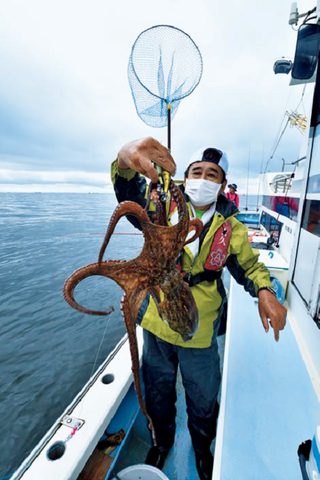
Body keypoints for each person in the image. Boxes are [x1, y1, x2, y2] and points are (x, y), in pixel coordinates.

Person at [111, 137, 287, 480]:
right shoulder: (160, 204)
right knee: (158, 391)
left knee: (203, 398)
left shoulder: (231, 227)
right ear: (186, 176)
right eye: (197, 171)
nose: (204, 179)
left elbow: (249, 268)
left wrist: (265, 289)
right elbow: (127, 191)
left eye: (213, 174)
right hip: (157, 319)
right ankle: (162, 442)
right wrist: (123, 160)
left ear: (222, 184)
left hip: (201, 328)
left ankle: (203, 449)